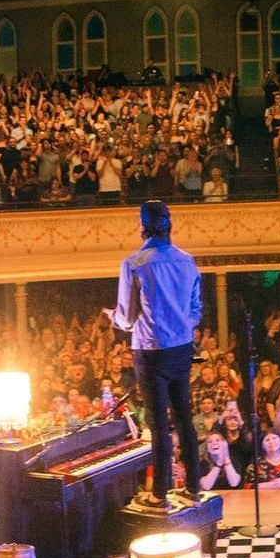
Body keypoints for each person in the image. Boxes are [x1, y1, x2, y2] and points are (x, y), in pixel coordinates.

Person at [104, 200, 202, 512]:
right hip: (182, 347)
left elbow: (128, 317)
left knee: (159, 421)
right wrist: (182, 326)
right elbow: (195, 309)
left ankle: (160, 493)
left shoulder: (135, 263)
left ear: (142, 226)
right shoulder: (187, 261)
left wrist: (112, 317)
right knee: (185, 417)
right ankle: (193, 488)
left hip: (150, 350)